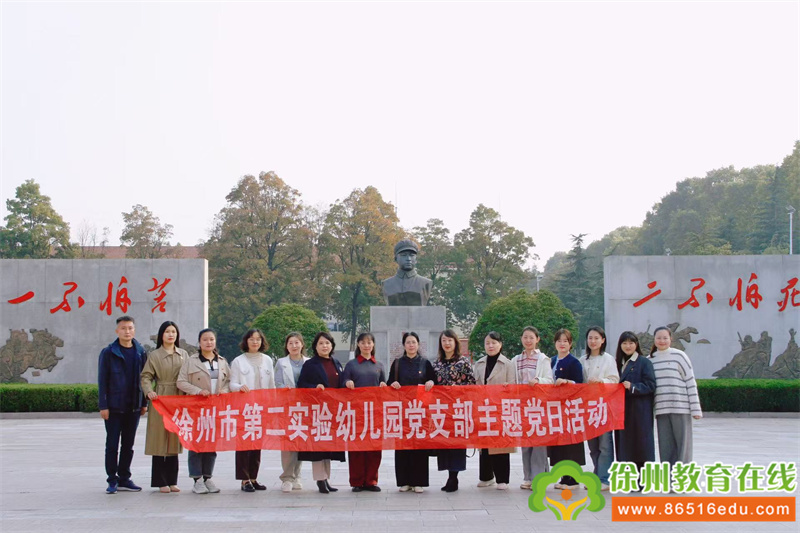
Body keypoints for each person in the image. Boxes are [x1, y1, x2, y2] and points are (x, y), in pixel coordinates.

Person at [177, 328, 231, 494]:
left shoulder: (222, 361)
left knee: (211, 443)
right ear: (199, 342)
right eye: (205, 340)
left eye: (211, 339)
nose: (209, 342)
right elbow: (181, 382)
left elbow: (229, 381)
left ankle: (208, 477)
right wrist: (198, 391)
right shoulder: (191, 361)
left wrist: (224, 391)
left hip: (215, 409)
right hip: (197, 408)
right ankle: (197, 479)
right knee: (196, 443)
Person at [98, 315, 148, 494]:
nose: (127, 331)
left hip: (133, 406)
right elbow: (102, 380)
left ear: (134, 330)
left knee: (128, 445)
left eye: (130, 328)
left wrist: (144, 403)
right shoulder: (108, 352)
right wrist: (103, 405)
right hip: (114, 407)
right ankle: (112, 479)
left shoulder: (140, 352)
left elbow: (144, 379)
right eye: (123, 328)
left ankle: (125, 478)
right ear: (117, 331)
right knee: (112, 445)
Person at [140, 320, 188, 493]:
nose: (170, 334)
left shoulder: (183, 354)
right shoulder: (154, 355)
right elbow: (146, 376)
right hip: (160, 398)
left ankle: (172, 480)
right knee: (159, 439)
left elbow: (189, 375)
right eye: (167, 331)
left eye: (173, 331)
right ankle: (160, 481)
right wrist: (149, 391)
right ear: (161, 335)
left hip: (178, 399)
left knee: (174, 439)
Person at [297, 332, 346, 494]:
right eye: (321, 343)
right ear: (315, 346)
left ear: (332, 345)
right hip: (317, 411)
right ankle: (320, 479)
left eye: (327, 343)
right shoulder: (310, 364)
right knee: (318, 445)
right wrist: (314, 388)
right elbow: (302, 384)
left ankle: (326, 478)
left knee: (328, 445)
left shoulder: (336, 363)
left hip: (333, 411)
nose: (324, 346)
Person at [388, 331, 435, 493]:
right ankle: (405, 481)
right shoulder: (397, 363)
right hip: (402, 412)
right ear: (404, 345)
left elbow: (433, 381)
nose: (411, 345)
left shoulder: (425, 363)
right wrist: (393, 384)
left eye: (414, 342)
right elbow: (389, 382)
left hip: (420, 411)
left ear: (418, 344)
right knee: (402, 446)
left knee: (420, 446)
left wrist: (431, 381)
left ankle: (419, 481)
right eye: (408, 342)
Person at [230, 328, 275, 492]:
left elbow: (271, 385)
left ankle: (254, 477)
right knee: (244, 444)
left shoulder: (267, 360)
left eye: (258, 339)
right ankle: (244, 479)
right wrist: (239, 387)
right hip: (245, 408)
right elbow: (232, 383)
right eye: (251, 339)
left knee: (257, 444)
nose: (255, 342)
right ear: (246, 341)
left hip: (261, 407)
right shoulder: (238, 361)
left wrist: (272, 405)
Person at [649, 326, 702, 465]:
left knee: (683, 446)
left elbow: (690, 381)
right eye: (659, 338)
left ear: (670, 339)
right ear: (654, 339)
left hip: (681, 408)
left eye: (665, 338)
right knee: (666, 447)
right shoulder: (650, 360)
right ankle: (669, 475)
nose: (662, 341)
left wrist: (696, 409)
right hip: (661, 409)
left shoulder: (679, 356)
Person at [341, 332, 387, 492]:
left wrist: (384, 386)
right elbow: (343, 381)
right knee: (357, 448)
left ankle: (371, 481)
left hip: (375, 412)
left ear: (373, 345)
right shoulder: (351, 365)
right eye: (363, 342)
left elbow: (384, 384)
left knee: (374, 448)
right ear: (358, 345)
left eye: (369, 342)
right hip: (357, 412)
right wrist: (348, 382)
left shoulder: (379, 365)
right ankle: (357, 481)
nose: (366, 345)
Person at [432, 329, 476, 492]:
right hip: (442, 410)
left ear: (455, 342)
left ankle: (454, 477)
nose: (447, 343)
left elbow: (472, 384)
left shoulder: (463, 362)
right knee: (445, 442)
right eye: (444, 340)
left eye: (450, 340)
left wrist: (458, 389)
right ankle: (449, 475)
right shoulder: (437, 363)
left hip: (458, 409)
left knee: (457, 444)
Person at [510, 326, 554, 490]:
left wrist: (538, 381)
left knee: (539, 442)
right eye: (525, 337)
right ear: (521, 339)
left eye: (531, 337)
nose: (528, 340)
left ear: (537, 339)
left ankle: (538, 477)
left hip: (538, 405)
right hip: (522, 405)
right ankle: (527, 476)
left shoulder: (543, 359)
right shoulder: (516, 360)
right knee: (526, 442)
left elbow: (549, 380)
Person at [473, 331, 516, 490]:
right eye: (487, 343)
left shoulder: (507, 364)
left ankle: (502, 479)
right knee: (484, 445)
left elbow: (513, 387)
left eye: (494, 343)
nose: (490, 346)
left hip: (500, 409)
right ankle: (486, 477)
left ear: (500, 344)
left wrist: (506, 389)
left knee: (500, 444)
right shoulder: (479, 363)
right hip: (483, 408)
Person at [579, 326, 619, 491]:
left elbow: (615, 380)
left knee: (605, 445)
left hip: (604, 406)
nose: (593, 341)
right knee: (593, 446)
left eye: (596, 338)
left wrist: (601, 381)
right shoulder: (582, 360)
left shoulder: (608, 359)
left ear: (603, 340)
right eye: (590, 338)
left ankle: (605, 478)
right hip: (588, 408)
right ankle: (597, 475)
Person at [614, 331, 656, 484]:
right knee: (624, 445)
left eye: (631, 343)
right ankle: (628, 478)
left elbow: (651, 385)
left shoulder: (644, 362)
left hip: (639, 411)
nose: (628, 346)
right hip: (621, 411)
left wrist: (633, 387)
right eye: (624, 343)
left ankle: (642, 480)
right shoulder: (616, 363)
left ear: (636, 344)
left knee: (640, 445)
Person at [547, 328, 585, 490]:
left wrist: (567, 382)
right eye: (559, 341)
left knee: (571, 443)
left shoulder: (574, 362)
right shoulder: (551, 361)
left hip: (570, 408)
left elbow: (580, 384)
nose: (562, 344)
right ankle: (563, 476)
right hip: (555, 409)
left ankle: (573, 479)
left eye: (565, 341)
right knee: (558, 443)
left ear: (570, 344)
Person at [274, 331, 309, 492]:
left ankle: (297, 475)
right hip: (288, 407)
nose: (294, 346)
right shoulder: (281, 363)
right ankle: (287, 477)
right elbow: (278, 383)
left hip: (305, 408)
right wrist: (287, 391)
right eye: (290, 343)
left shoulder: (309, 362)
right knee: (288, 442)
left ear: (302, 344)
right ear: (286, 346)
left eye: (297, 342)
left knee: (299, 441)